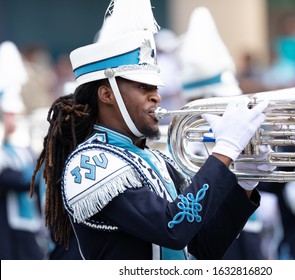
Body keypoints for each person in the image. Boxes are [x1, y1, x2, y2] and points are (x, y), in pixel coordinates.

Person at [30, 0, 270, 260]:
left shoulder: (156, 159)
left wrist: (243, 183)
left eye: (156, 88)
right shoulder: (90, 163)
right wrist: (225, 151)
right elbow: (172, 228)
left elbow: (205, 246)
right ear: (106, 94)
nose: (156, 97)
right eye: (144, 88)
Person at [0, 41, 45, 259]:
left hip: (30, 226)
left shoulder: (22, 146)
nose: (13, 118)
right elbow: (11, 178)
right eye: (9, 113)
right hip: (6, 231)